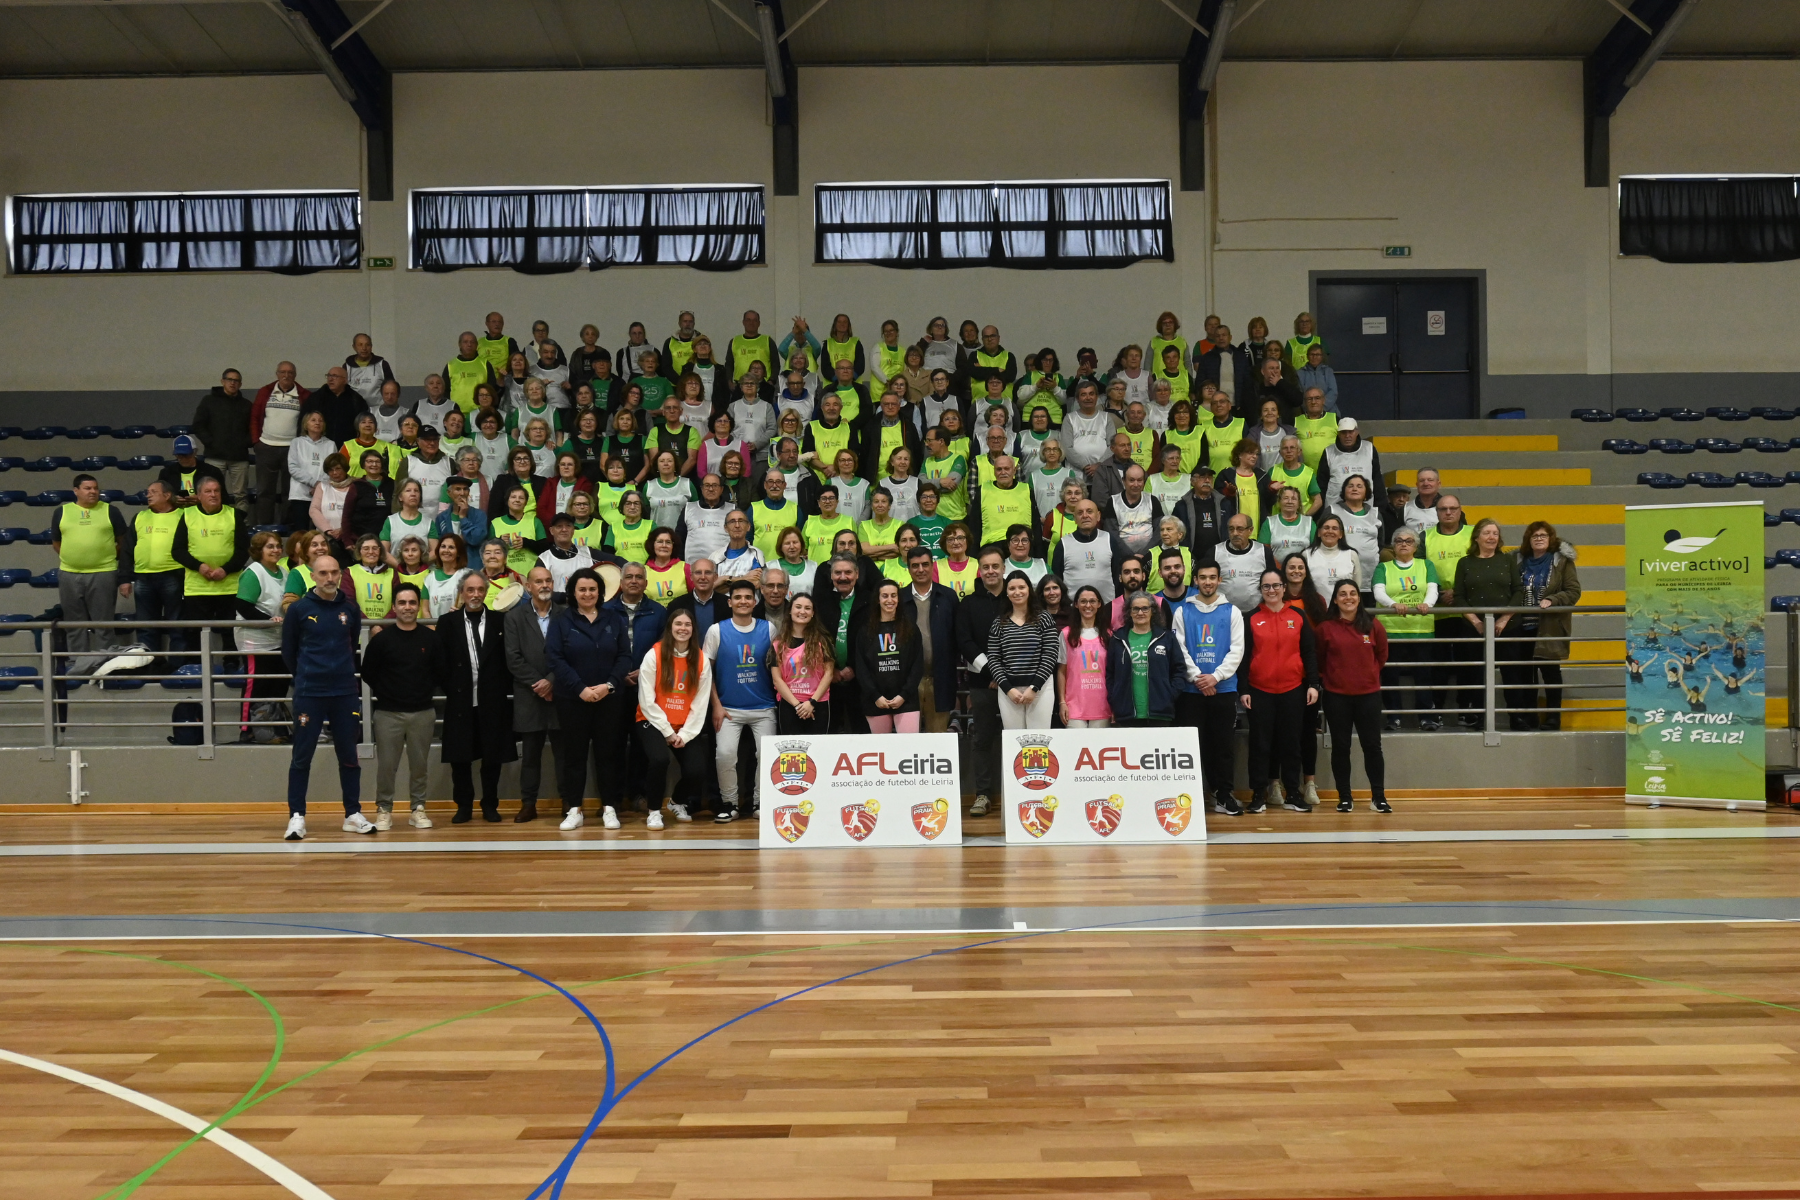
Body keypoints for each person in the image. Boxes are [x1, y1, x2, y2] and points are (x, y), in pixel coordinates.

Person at [279, 554, 373, 840]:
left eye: (334, 572)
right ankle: (297, 817)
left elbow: (353, 641)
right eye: (323, 573)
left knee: (349, 755)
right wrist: (308, 676)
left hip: (344, 692)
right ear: (314, 576)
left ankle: (352, 814)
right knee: (302, 756)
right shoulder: (298, 610)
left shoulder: (350, 608)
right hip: (310, 693)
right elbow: (288, 651)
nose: (329, 578)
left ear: (340, 574)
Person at [360, 581, 444, 830]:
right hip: (388, 714)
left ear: (418, 606)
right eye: (402, 603)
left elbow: (440, 672)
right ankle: (384, 809)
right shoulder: (381, 640)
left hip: (422, 712)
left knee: (419, 766)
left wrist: (421, 690)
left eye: (412, 603)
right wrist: (389, 694)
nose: (407, 607)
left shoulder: (431, 639)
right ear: (394, 607)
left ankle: (418, 808)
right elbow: (368, 673)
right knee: (386, 767)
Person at [439, 572, 517, 823]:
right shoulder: (447, 622)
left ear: (486, 592)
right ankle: (463, 806)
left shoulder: (500, 621)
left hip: (492, 699)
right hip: (460, 700)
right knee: (460, 759)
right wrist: (452, 686)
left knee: (492, 757)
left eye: (480, 590)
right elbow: (440, 662)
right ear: (462, 593)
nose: (475, 595)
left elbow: (508, 660)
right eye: (470, 590)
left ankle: (490, 804)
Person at [1241, 569, 1320, 813]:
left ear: (1284, 588)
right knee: (1260, 744)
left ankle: (1293, 794)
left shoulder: (1298, 616)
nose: (1271, 590)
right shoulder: (1251, 618)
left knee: (1291, 743)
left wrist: (1313, 684)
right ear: (1261, 589)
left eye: (1276, 586)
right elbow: (1243, 657)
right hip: (1259, 690)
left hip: (1293, 689)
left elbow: (1308, 652)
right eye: (1266, 586)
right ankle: (1258, 794)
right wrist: (1244, 689)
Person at [704, 578, 778, 823]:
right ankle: (729, 803)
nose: (743, 601)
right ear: (730, 602)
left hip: (764, 707)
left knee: (765, 755)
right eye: (738, 597)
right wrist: (716, 704)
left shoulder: (768, 629)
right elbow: (706, 673)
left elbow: (777, 669)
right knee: (724, 754)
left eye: (748, 597)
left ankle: (760, 802)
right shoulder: (716, 630)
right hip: (728, 709)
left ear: (755, 601)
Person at [634, 608, 712, 827]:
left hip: (685, 725)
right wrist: (668, 732)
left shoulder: (701, 659)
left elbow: (700, 702)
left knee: (697, 770)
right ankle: (654, 811)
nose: (683, 628)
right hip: (652, 721)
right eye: (678, 624)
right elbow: (646, 700)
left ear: (693, 629)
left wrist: (684, 734)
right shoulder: (654, 654)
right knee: (659, 760)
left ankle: (677, 801)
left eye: (687, 625)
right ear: (670, 627)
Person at [1318, 579, 1390, 813]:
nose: (1348, 598)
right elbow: (1319, 660)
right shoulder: (1325, 628)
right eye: (1342, 594)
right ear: (1335, 599)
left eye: (1352, 593)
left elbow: (1381, 657)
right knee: (1341, 747)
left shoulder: (1373, 625)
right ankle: (1345, 797)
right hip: (1336, 696)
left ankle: (1378, 797)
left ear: (1359, 597)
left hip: (1368, 696)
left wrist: (1366, 676)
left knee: (1372, 746)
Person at [171, 476, 249, 693]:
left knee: (230, 630)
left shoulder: (234, 515)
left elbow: (243, 551)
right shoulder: (187, 516)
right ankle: (198, 665)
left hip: (230, 584)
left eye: (216, 490)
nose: (213, 495)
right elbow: (177, 551)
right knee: (195, 630)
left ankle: (231, 663)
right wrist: (200, 567)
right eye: (208, 491)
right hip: (197, 586)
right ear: (199, 495)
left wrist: (226, 569)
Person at [503, 565, 562, 824]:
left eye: (548, 580)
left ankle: (569, 803)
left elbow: (571, 653)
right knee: (530, 756)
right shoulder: (514, 617)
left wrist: (551, 682)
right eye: (538, 581)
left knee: (565, 754)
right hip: (529, 695)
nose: (544, 585)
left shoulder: (566, 614)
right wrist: (539, 684)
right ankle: (528, 804)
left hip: (561, 693)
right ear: (528, 587)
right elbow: (513, 658)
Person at [1458, 516, 1527, 729]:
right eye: (1487, 533)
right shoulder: (1465, 562)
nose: (1491, 537)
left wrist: (1506, 618)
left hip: (1508, 627)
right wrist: (1476, 622)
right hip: (1474, 629)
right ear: (1476, 537)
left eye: (1495, 533)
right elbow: (1460, 596)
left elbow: (1518, 591)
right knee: (1477, 674)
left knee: (1511, 674)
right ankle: (1480, 717)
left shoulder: (1507, 560)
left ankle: (1517, 716)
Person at [51, 473, 129, 658]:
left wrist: (104, 557)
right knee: (74, 623)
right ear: (76, 491)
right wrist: (74, 558)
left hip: (103, 573)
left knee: (103, 624)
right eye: (88, 488)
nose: (93, 492)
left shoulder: (111, 511)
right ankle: (78, 663)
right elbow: (56, 543)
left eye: (95, 488)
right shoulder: (62, 512)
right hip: (69, 574)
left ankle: (105, 663)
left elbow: (123, 542)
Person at [954, 547, 1008, 814]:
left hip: (1015, 684)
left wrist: (1005, 676)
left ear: (1003, 568)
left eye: (995, 566)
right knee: (982, 738)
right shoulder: (969, 604)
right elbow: (964, 640)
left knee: (1016, 738)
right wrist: (993, 673)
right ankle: (983, 795)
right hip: (981, 683)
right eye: (986, 567)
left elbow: (1026, 639)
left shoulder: (1016, 597)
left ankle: (1018, 793)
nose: (991, 571)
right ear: (979, 570)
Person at [1515, 520, 1582, 731]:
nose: (1538, 539)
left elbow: (1573, 592)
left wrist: (1553, 599)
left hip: (1550, 626)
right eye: (1534, 536)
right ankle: (1529, 717)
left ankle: (1553, 717)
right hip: (1521, 626)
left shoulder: (1561, 562)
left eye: (1543, 535)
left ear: (1551, 539)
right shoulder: (1517, 561)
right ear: (1528, 540)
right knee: (1525, 675)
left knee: (1550, 673)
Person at [1374, 527, 1441, 731]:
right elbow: (1378, 592)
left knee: (1424, 674)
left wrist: (1426, 604)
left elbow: (1432, 590)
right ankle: (1393, 716)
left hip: (1421, 629)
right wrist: (1393, 605)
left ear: (1416, 546)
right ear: (1393, 546)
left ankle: (1426, 716)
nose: (1404, 544)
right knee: (1390, 675)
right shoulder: (1383, 568)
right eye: (1399, 541)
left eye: (1409, 541)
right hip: (1391, 629)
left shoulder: (1426, 564)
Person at [232, 531, 289, 744]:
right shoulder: (254, 572)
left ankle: (273, 728)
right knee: (255, 685)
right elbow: (243, 606)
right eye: (270, 546)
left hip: (278, 638)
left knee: (277, 685)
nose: (275, 550)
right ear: (259, 550)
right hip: (255, 640)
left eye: (277, 546)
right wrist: (268, 619)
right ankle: (247, 729)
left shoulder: (283, 572)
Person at [1425, 494, 1475, 727]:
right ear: (1436, 512)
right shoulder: (1426, 537)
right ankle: (1437, 711)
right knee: (1439, 665)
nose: (1448, 512)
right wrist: (1438, 593)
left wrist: (1459, 592)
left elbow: (1480, 566)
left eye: (1453, 508)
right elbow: (1421, 569)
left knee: (1468, 663)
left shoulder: (1473, 534)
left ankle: (1467, 709)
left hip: (1468, 611)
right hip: (1438, 610)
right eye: (1443, 509)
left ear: (1460, 510)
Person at [986, 570, 1058, 729]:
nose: (1017, 592)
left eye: (1021, 587)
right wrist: (1008, 689)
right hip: (1009, 692)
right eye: (1012, 589)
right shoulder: (999, 623)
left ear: (1029, 590)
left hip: (1041, 689)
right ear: (1006, 592)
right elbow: (993, 658)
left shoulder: (1044, 618)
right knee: (1015, 743)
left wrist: (1034, 688)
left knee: (1038, 742)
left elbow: (1050, 654)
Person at [855, 579, 924, 733]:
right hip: (876, 701)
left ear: (899, 599)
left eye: (894, 595)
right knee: (882, 751)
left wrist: (904, 695)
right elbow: (861, 668)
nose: (890, 600)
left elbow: (917, 665)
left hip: (906, 700)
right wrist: (875, 695)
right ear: (878, 600)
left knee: (908, 749)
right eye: (885, 596)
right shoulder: (865, 631)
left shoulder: (911, 629)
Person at [1105, 591, 1183, 725]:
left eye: (1145, 608)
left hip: (1159, 713)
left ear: (1152, 610)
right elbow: (1110, 673)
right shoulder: (1118, 639)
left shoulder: (1166, 638)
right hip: (1126, 714)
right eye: (1135, 609)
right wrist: (1115, 698)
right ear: (1129, 612)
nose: (1140, 613)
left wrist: (1168, 695)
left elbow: (1179, 670)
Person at [129, 480, 186, 661]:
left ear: (167, 495)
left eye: (153, 492)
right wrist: (124, 578)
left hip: (174, 576)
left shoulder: (183, 516)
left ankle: (177, 665)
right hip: (143, 578)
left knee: (177, 625)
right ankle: (149, 665)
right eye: (148, 492)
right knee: (146, 627)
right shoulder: (139, 517)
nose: (148, 495)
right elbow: (128, 548)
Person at [250, 362, 308, 524]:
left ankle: (286, 528)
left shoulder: (303, 395)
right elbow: (254, 418)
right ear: (277, 374)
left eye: (290, 372)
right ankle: (264, 528)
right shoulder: (265, 392)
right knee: (264, 492)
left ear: (295, 375)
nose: (286, 375)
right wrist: (256, 442)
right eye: (283, 372)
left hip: (292, 449)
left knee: (289, 493)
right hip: (266, 447)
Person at [191, 366, 254, 512]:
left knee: (241, 494)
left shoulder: (246, 405)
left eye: (236, 381)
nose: (233, 383)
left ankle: (240, 523)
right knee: (211, 492)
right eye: (230, 380)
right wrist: (210, 442)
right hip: (214, 457)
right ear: (222, 381)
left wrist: (245, 443)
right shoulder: (209, 401)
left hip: (239, 457)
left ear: (241, 384)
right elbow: (198, 424)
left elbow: (253, 428)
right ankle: (214, 518)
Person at [773, 591, 835, 734]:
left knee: (817, 753)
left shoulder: (823, 641)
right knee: (792, 754)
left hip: (818, 703)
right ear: (790, 611)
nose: (802, 611)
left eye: (807, 608)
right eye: (798, 607)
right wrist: (797, 706)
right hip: (789, 705)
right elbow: (777, 679)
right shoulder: (778, 643)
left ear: (813, 613)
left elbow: (829, 674)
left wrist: (811, 702)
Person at [1051, 499, 1129, 604]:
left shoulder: (1109, 540)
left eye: (1089, 511)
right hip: (1073, 611)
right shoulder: (1063, 544)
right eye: (1080, 512)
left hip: (1107, 608)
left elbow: (1117, 575)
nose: (1085, 515)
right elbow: (1057, 580)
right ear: (1074, 518)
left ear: (1098, 516)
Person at [1058, 585, 1113, 728]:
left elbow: (1113, 673)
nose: (1088, 605)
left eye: (1092, 601)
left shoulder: (1108, 635)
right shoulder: (1066, 634)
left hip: (1102, 705)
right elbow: (1062, 671)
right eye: (1083, 601)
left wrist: (1114, 704)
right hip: (1074, 706)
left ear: (1099, 604)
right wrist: (1062, 702)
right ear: (1076, 604)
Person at [1317, 418, 1382, 510]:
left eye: (1350, 432)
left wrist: (1381, 507)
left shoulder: (1369, 449)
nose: (1347, 436)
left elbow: (1377, 479)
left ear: (1357, 432)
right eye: (1343, 432)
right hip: (1334, 509)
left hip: (1365, 509)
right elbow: (1322, 483)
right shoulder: (1329, 452)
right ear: (1338, 434)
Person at [1215, 513, 1274, 613]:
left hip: (1257, 614)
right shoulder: (1215, 552)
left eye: (1240, 529)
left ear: (1250, 530)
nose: (1235, 533)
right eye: (1231, 529)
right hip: (1223, 613)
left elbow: (1273, 582)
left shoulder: (1263, 552)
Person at [303, 363, 370, 446]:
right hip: (320, 446)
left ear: (345, 380)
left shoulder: (356, 399)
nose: (330, 379)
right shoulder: (316, 398)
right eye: (329, 376)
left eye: (335, 376)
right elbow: (304, 421)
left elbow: (363, 424)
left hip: (347, 446)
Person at [158, 433, 227, 508]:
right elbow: (159, 497)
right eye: (179, 456)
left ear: (195, 452)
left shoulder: (212, 472)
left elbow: (223, 498)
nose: (183, 459)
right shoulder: (166, 473)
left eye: (186, 455)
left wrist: (203, 499)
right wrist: (172, 500)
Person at [432, 476, 490, 548]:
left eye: (465, 489)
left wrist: (463, 517)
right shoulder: (441, 517)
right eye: (458, 489)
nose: (462, 493)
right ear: (449, 493)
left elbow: (475, 539)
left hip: (471, 558)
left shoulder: (480, 515)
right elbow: (439, 544)